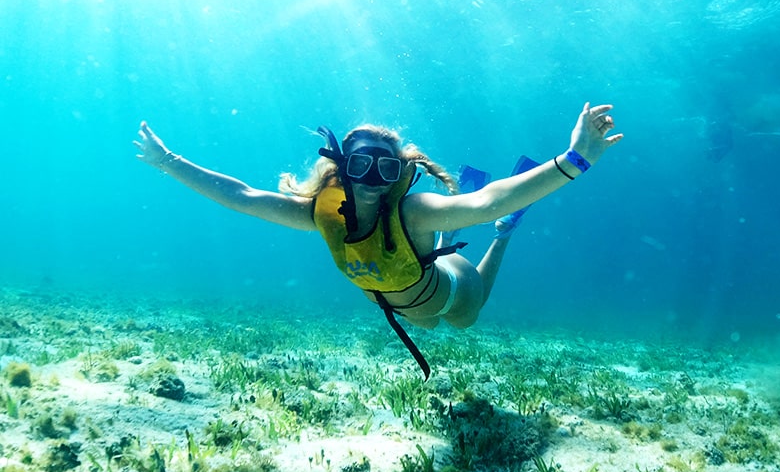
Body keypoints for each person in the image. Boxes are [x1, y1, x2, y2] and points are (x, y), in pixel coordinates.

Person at [134, 102, 623, 378]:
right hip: (408, 303)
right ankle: (456, 234)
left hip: (450, 289)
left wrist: (574, 158)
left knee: (466, 321)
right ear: (342, 166)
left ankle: (506, 235)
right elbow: (242, 196)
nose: (371, 178)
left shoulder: (410, 209)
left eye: (386, 168)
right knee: (430, 326)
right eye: (361, 164)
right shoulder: (319, 214)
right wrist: (167, 162)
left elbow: (485, 202)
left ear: (399, 175)